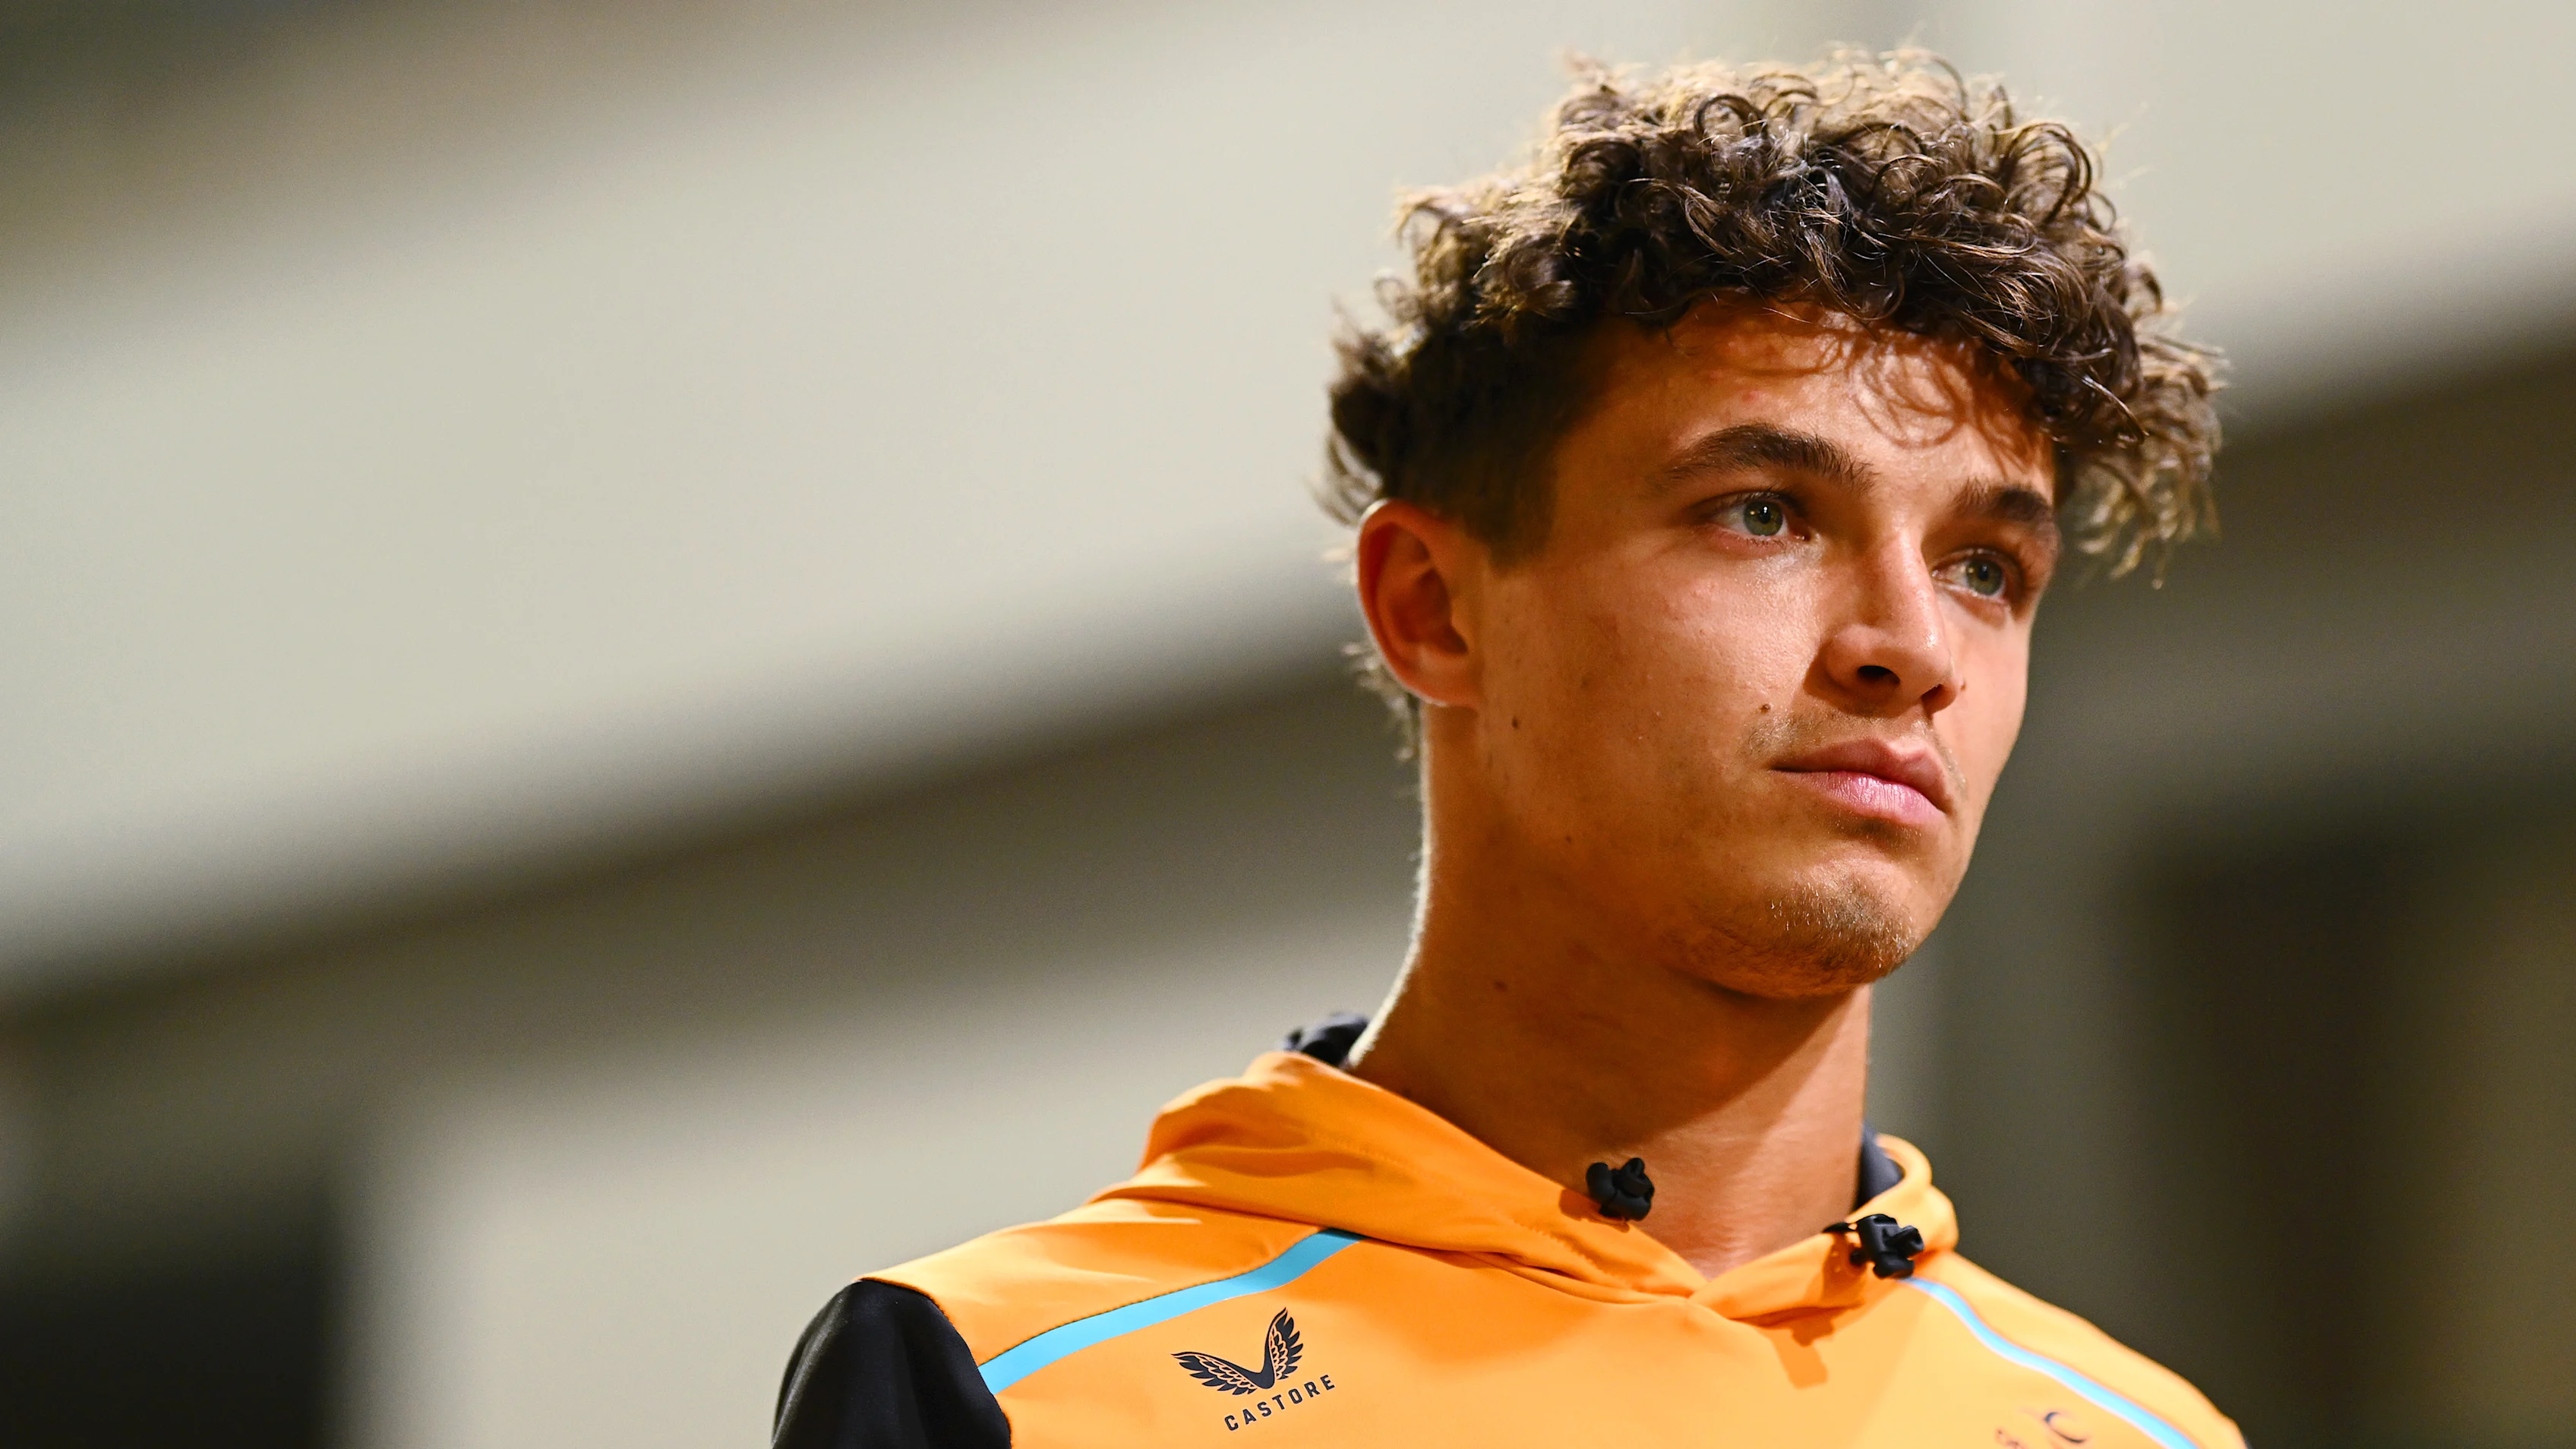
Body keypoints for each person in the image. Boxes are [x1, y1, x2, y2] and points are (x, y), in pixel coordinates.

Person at [775, 51, 2231, 1448]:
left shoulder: (2144, 1437)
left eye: (1986, 566)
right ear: (1434, 611)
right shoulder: (1015, 1387)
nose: (1910, 646)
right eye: (1764, 512)